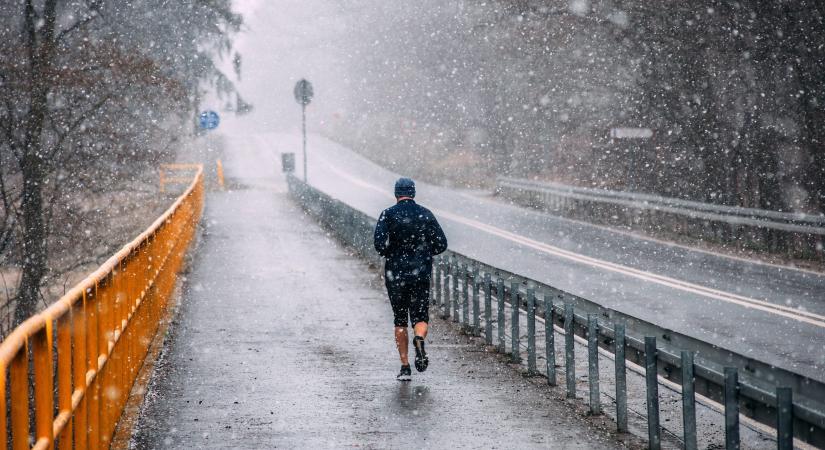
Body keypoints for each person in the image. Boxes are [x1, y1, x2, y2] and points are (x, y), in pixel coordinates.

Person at [374, 178, 448, 381]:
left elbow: (379, 244)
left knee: (400, 319)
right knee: (420, 316)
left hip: (395, 274)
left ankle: (405, 366)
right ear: (413, 193)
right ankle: (419, 338)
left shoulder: (387, 214)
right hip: (420, 273)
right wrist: (424, 253)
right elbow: (442, 243)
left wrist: (392, 252)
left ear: (396, 194)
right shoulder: (425, 214)